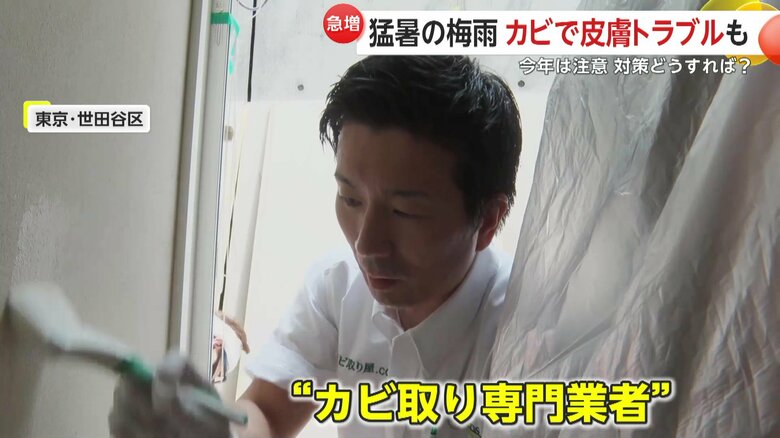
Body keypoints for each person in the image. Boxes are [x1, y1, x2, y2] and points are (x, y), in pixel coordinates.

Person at [109, 55, 522, 438]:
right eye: (350, 199)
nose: (366, 244)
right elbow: (268, 412)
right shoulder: (338, 285)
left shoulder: (527, 327)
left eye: (404, 211)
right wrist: (215, 430)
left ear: (487, 219)